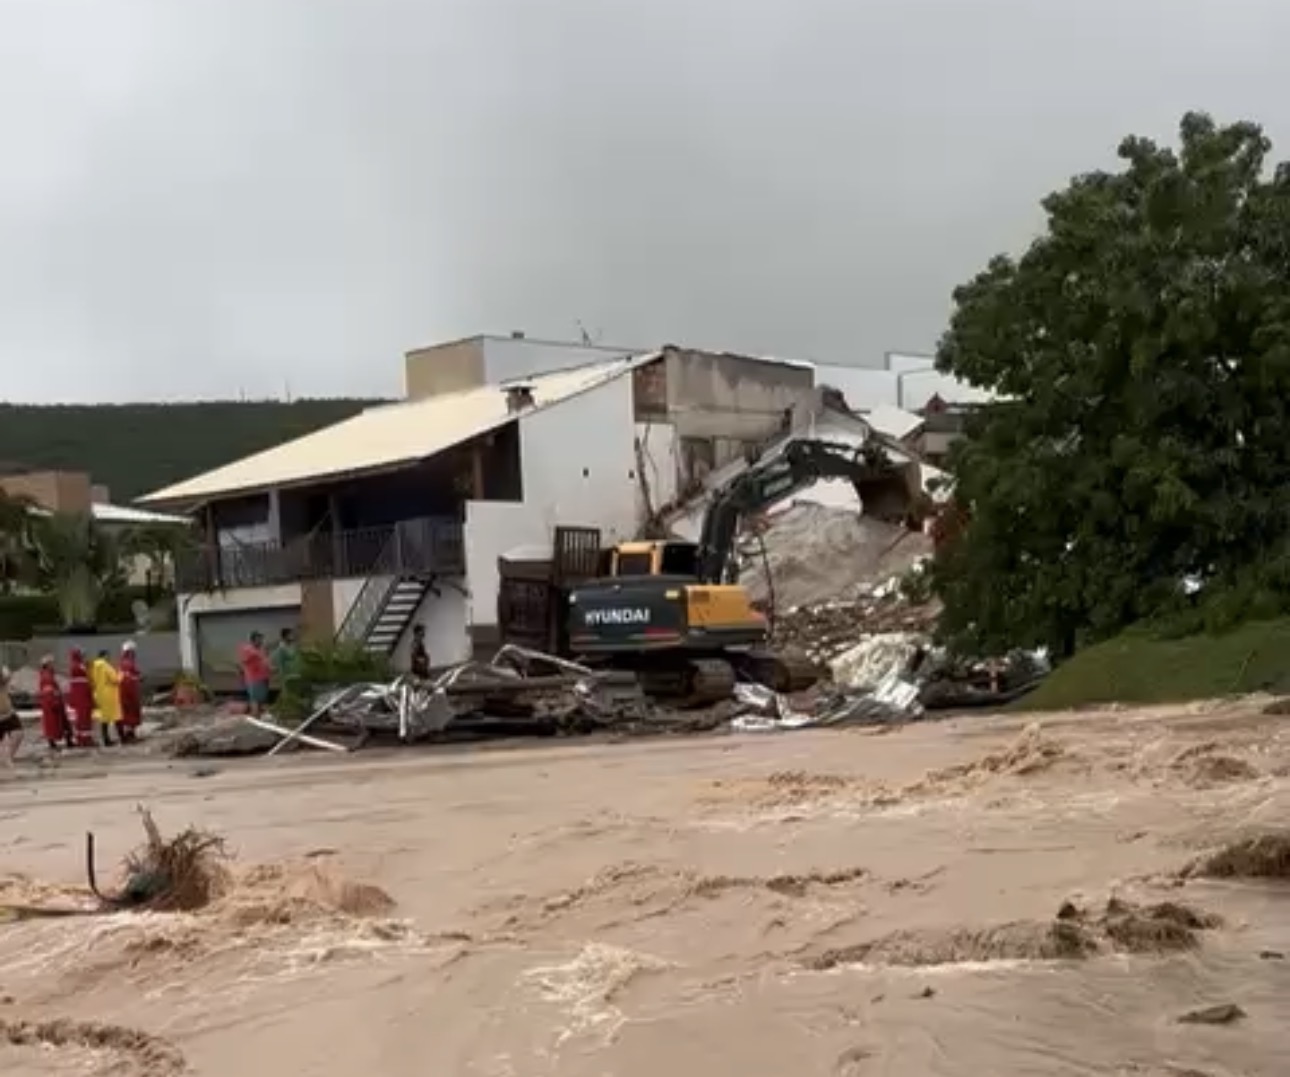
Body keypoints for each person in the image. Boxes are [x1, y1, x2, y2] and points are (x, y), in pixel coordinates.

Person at [37, 655, 72, 752]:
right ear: (47, 665)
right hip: (52, 702)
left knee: (58, 722)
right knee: (54, 723)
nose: (53, 665)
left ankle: (58, 740)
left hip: (52, 701)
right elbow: (48, 691)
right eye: (51, 663)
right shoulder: (46, 676)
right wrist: (55, 700)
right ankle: (54, 741)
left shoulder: (47, 674)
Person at [90, 649, 122, 747]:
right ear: (104, 655)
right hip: (109, 694)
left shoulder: (94, 666)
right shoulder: (106, 666)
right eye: (108, 655)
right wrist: (121, 675)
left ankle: (105, 739)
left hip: (99, 693)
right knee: (113, 717)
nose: (109, 657)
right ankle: (117, 737)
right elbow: (115, 679)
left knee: (104, 718)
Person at [238, 631, 271, 716]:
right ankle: (255, 715)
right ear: (253, 640)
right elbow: (244, 660)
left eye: (261, 639)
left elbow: (265, 661)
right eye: (258, 639)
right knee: (255, 699)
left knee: (261, 698)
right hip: (254, 679)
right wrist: (255, 655)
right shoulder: (247, 649)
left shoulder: (261, 649)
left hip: (264, 677)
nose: (261, 641)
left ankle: (258, 715)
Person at [66, 648, 94, 747]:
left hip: (84, 695)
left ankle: (86, 738)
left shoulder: (80, 666)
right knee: (82, 718)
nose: (84, 656)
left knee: (85, 717)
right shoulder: (76, 666)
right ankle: (82, 739)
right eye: (82, 654)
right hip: (81, 696)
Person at [117, 641, 142, 744]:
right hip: (128, 693)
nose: (134, 654)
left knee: (129, 713)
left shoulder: (124, 663)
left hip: (128, 692)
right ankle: (129, 735)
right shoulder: (127, 663)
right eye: (132, 652)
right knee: (129, 713)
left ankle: (129, 733)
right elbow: (128, 678)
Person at [0, 666, 22, 768]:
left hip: (8, 713)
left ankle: (8, 757)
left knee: (18, 733)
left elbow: (7, 675)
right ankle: (5, 759)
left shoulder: (3, 682)